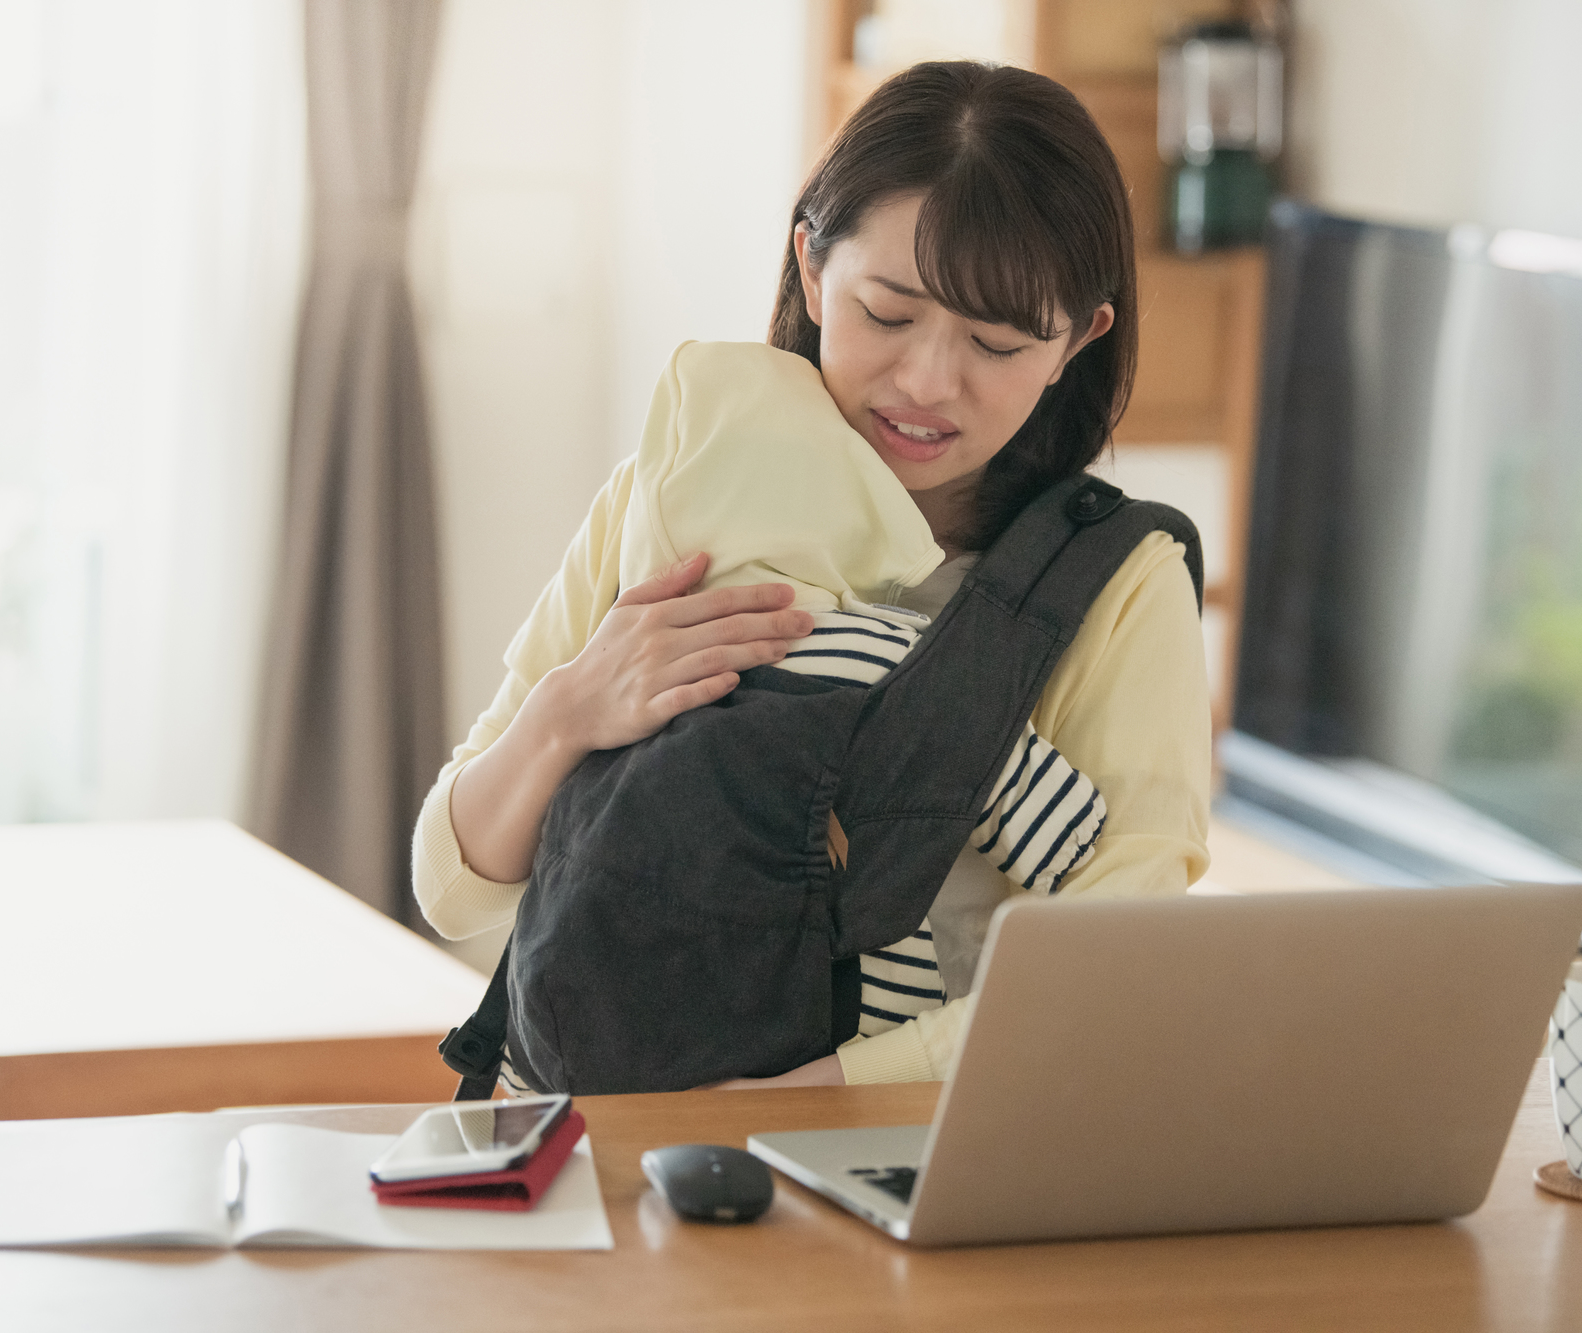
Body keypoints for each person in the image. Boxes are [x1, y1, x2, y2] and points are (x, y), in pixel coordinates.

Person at [412, 60, 1211, 1090]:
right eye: (886, 312)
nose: (927, 380)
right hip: (592, 1128)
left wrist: (820, 1098)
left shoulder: (1117, 582)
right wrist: (565, 713)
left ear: (1076, 341)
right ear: (809, 265)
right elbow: (453, 884)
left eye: (998, 341)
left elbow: (1121, 953)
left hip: (910, 1161)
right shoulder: (673, 496)